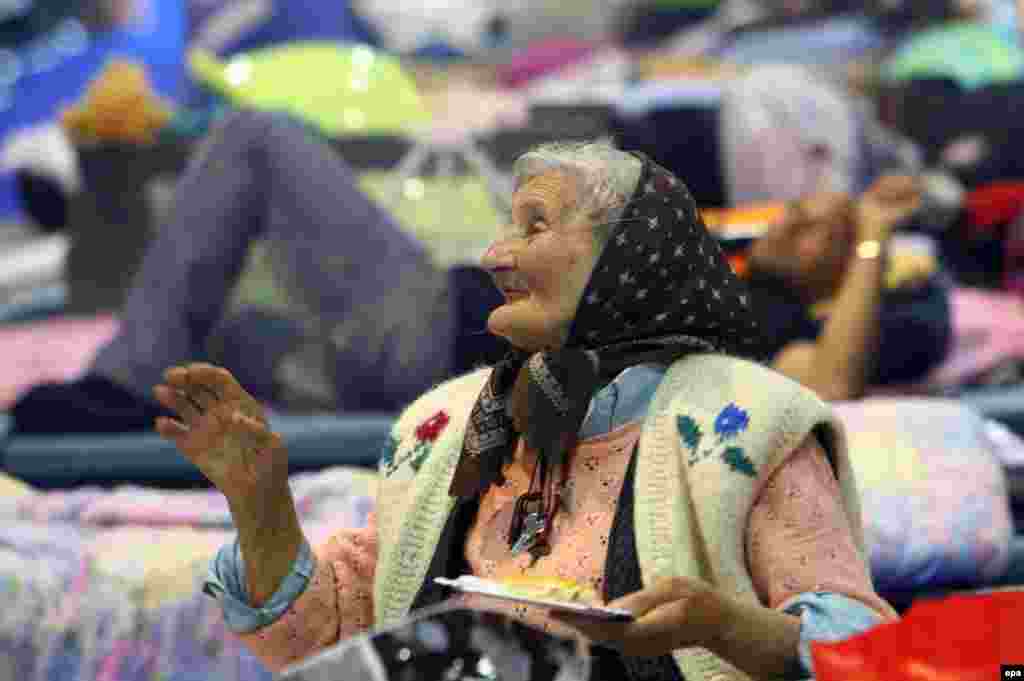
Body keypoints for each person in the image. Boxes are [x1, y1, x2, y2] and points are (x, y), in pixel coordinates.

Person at [154, 140, 897, 680]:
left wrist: (721, 625)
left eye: (534, 227)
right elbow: (337, 638)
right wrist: (262, 509)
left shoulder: (742, 426)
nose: (495, 255)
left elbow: (861, 655)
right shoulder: (447, 426)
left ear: (625, 254)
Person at [10, 109, 509, 433]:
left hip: (444, 334)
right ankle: (156, 390)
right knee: (238, 337)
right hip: (436, 365)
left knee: (254, 137)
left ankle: (125, 384)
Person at [744, 176, 949, 401]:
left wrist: (873, 235)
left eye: (810, 228)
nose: (785, 226)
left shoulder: (791, 321)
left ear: (849, 263)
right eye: (792, 211)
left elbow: (830, 386)